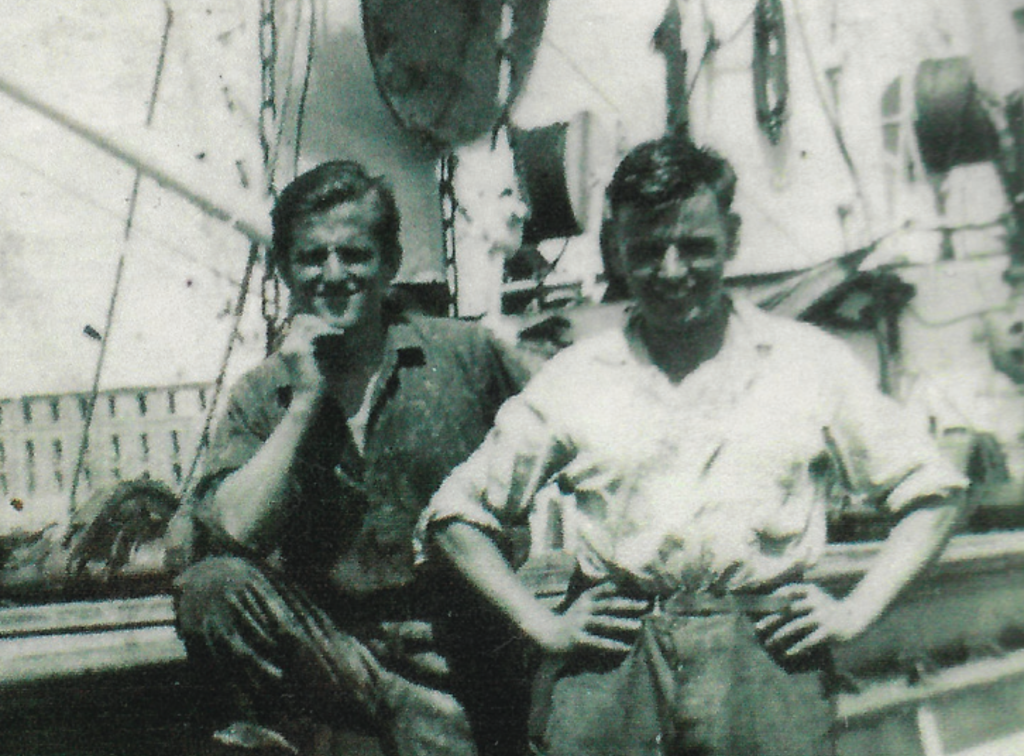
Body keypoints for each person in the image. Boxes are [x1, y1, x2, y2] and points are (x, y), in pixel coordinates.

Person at [416, 134, 968, 756]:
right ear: (619, 250)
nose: (673, 270)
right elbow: (455, 514)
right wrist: (541, 623)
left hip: (765, 659)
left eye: (696, 246)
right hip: (616, 664)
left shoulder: (806, 363)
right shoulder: (577, 376)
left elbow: (935, 492)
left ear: (731, 238)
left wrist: (854, 612)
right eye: (648, 250)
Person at [171, 160, 532, 756]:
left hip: (464, 660)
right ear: (285, 268)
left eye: (354, 254)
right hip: (340, 665)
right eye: (312, 258)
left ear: (389, 262)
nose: (333, 274)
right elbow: (233, 535)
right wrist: (304, 402)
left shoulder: (468, 356)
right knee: (213, 587)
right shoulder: (263, 395)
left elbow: (585, 431)